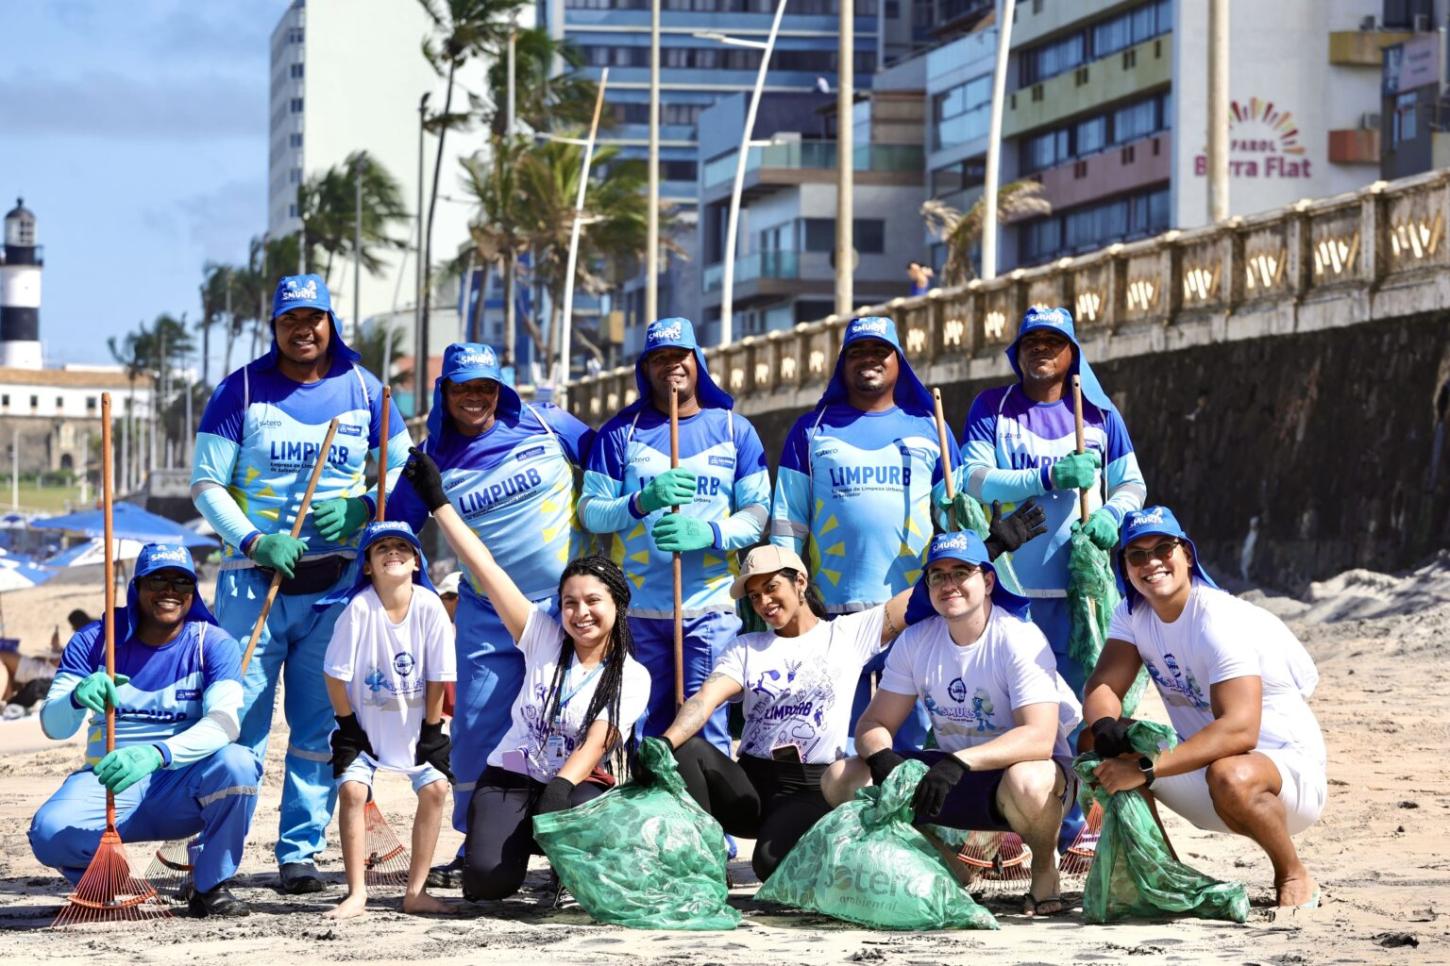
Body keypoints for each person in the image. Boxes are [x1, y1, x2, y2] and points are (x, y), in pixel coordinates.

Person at [645, 506, 1043, 881]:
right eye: (753, 596)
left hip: (811, 785)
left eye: (771, 588)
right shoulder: (746, 646)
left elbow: (923, 597)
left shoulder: (847, 634)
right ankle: (701, 867)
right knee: (688, 753)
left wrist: (988, 551)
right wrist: (664, 742)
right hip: (751, 780)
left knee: (769, 864)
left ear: (799, 582)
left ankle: (902, 850)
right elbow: (704, 700)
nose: (764, 602)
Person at [191, 273, 411, 894]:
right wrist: (254, 540)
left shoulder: (367, 390)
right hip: (250, 584)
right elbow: (207, 484)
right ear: (275, 327)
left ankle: (300, 854)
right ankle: (219, 857)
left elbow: (403, 468)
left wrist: (368, 507)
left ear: (329, 322)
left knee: (317, 729)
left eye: (313, 318)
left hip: (335, 587)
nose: (303, 329)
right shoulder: (241, 389)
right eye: (290, 319)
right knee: (239, 723)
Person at [401, 448, 651, 902]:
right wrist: (439, 502)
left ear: (617, 604)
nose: (581, 613)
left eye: (593, 601)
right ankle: (509, 844)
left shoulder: (631, 676)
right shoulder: (542, 637)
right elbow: (484, 566)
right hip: (513, 776)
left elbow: (597, 741)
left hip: (577, 786)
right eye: (571, 602)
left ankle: (570, 866)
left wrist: (558, 789)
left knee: (576, 808)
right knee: (487, 885)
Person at [386, 341, 594, 886]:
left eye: (484, 387)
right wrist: (425, 596)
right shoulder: (432, 457)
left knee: (578, 723)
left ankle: (580, 836)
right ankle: (472, 838)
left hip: (566, 607)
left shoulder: (551, 426)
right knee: (478, 729)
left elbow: (608, 466)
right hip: (484, 615)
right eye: (462, 388)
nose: (474, 398)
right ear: (444, 392)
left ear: (500, 389)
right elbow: (398, 531)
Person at [822, 530, 1083, 918]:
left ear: (988, 580)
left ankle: (1044, 869)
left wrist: (960, 761)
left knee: (1027, 780)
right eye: (938, 575)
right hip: (950, 776)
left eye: (962, 572)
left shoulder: (1020, 639)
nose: (950, 584)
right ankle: (945, 865)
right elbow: (874, 721)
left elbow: (1040, 738)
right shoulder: (915, 641)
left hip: (1024, 779)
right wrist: (881, 757)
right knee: (841, 776)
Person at [1081, 506, 1325, 909]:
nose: (1152, 562)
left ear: (1188, 555)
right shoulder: (1133, 612)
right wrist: (1107, 726)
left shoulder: (1218, 618)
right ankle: (1166, 879)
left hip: (1282, 781)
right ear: (1124, 567)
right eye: (1137, 555)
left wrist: (1144, 767)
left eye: (1163, 548)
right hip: (1203, 773)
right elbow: (1103, 684)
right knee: (1093, 736)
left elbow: (1240, 731)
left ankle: (1292, 871)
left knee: (1229, 772)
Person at [28, 544, 259, 918]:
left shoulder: (212, 643)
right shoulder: (95, 640)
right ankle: (111, 879)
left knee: (238, 764)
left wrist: (156, 753)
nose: (171, 591)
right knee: (48, 832)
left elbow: (225, 724)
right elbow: (53, 726)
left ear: (193, 592)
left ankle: (209, 885)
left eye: (182, 582)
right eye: (159, 580)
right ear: (137, 587)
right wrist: (74, 697)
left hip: (181, 782)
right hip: (109, 780)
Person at [580, 317, 768, 754]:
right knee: (640, 724)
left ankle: (711, 821)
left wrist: (710, 532)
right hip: (640, 609)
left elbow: (757, 514)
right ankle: (647, 819)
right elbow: (590, 512)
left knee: (707, 723)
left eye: (679, 356)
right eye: (659, 359)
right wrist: (640, 502)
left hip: (711, 605)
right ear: (646, 369)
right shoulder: (618, 434)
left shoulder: (733, 430)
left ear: (697, 361)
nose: (671, 367)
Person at [770, 314, 955, 751]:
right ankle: (842, 814)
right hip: (833, 609)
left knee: (912, 734)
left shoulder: (933, 428)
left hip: (914, 607)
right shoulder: (811, 430)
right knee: (837, 733)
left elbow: (960, 516)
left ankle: (914, 818)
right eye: (857, 352)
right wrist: (786, 591)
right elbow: (787, 521)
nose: (868, 360)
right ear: (842, 363)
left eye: (879, 352)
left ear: (898, 362)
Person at [959, 305, 1146, 701]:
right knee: (1014, 702)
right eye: (1031, 342)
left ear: (1072, 352)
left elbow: (1131, 484)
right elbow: (974, 480)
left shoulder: (1099, 413)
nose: (1041, 349)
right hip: (1010, 590)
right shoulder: (992, 407)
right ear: (1018, 352)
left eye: (1052, 342)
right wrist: (1046, 477)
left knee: (1086, 705)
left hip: (1082, 591)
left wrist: (1112, 514)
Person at [321, 522, 456, 919]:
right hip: (364, 727)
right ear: (367, 566)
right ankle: (357, 892)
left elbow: (436, 675)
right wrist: (347, 728)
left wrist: (432, 731)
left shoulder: (431, 606)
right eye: (381, 549)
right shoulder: (359, 608)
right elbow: (334, 674)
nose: (392, 553)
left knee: (435, 790)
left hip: (416, 727)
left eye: (402, 547)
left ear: (417, 561)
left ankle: (415, 891)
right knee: (352, 792)